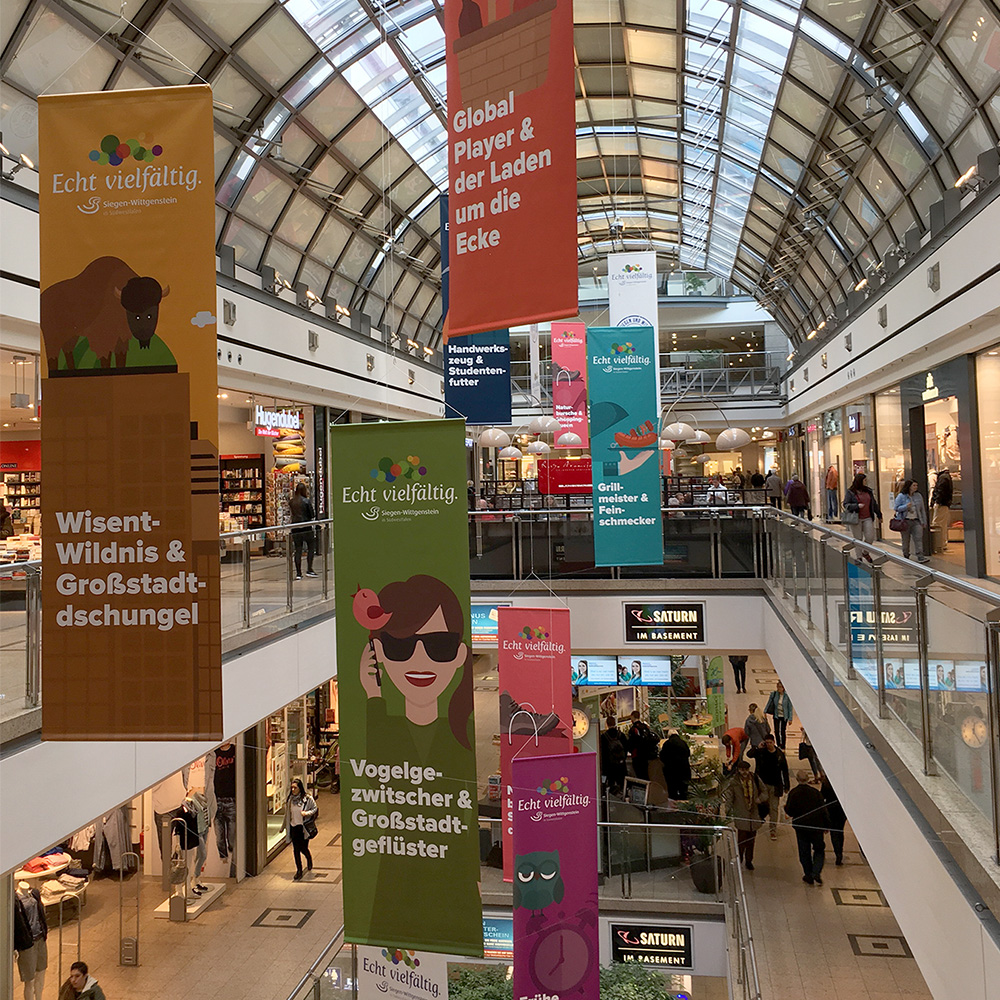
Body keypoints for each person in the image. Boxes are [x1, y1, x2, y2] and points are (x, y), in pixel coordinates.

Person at [784, 770, 828, 885]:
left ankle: (808, 874)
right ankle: (816, 871)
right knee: (819, 849)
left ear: (797, 779)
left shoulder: (794, 793)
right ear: (808, 779)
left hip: (801, 828)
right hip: (816, 827)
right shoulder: (815, 792)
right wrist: (827, 825)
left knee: (804, 851)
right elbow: (823, 810)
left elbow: (790, 811)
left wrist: (785, 808)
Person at [722, 761, 767, 871]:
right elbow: (729, 797)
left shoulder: (755, 778)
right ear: (738, 770)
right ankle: (739, 858)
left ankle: (749, 860)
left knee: (751, 840)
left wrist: (760, 799)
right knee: (741, 840)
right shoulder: (734, 782)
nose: (745, 772)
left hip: (754, 814)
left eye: (746, 770)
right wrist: (727, 811)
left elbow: (764, 791)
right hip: (741, 814)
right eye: (742, 770)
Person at [747, 735, 789, 840]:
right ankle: (758, 820)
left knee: (774, 808)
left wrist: (786, 785)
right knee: (759, 804)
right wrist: (757, 747)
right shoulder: (761, 752)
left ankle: (773, 830)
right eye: (767, 742)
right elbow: (749, 755)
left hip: (775, 785)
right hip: (762, 785)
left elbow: (785, 770)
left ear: (774, 742)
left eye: (770, 742)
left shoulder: (779, 755)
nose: (769, 745)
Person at [281, 777, 318, 881]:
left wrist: (306, 813)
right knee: (296, 849)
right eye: (292, 788)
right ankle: (299, 870)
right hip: (294, 827)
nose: (293, 790)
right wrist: (284, 826)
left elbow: (315, 809)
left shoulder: (307, 799)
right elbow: (287, 815)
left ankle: (308, 858)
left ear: (300, 788)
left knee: (303, 848)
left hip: (303, 828)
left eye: (295, 788)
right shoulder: (290, 800)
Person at [843, 472, 882, 562]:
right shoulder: (851, 492)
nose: (866, 482)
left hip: (868, 517)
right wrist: (857, 506)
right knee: (858, 538)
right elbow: (846, 504)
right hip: (856, 518)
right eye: (864, 480)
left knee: (870, 537)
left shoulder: (868, 491)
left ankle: (865, 552)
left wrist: (879, 514)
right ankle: (859, 557)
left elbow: (874, 503)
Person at [894, 478, 930, 563]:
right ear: (909, 486)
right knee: (906, 539)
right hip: (905, 521)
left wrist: (924, 521)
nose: (915, 487)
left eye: (916, 485)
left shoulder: (918, 496)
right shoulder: (901, 496)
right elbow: (896, 508)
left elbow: (922, 510)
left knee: (918, 538)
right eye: (914, 485)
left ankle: (920, 555)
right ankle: (906, 554)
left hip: (916, 520)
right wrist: (906, 506)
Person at [289, 482, 317, 580]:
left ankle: (298, 573)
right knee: (310, 547)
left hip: (295, 527)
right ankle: (309, 569)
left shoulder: (292, 501)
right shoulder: (306, 501)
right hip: (306, 527)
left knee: (298, 549)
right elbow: (312, 514)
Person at [819, 772, 847, 865]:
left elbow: (822, 797)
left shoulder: (826, 783)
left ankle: (837, 852)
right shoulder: (843, 782)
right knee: (840, 831)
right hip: (841, 809)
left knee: (834, 833)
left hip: (830, 810)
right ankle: (840, 852)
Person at [658, 730, 692, 799]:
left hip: (671, 773)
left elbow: (662, 757)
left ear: (669, 736)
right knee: (683, 792)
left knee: (672, 792)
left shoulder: (667, 744)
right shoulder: (683, 743)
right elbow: (688, 754)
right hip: (684, 771)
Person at [599, 716, 628, 795]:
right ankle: (624, 796)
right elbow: (626, 747)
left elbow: (602, 752)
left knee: (610, 784)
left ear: (607, 724)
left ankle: (611, 797)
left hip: (609, 766)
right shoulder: (621, 735)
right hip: (621, 764)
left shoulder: (603, 737)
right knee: (622, 782)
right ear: (615, 723)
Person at [626, 710, 657, 780]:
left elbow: (631, 743)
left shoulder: (633, 729)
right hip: (646, 755)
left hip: (637, 755)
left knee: (639, 775)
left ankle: (641, 789)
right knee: (646, 774)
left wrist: (630, 750)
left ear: (632, 717)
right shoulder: (645, 727)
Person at [764, 681, 793, 750]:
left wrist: (790, 718)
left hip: (784, 716)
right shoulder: (774, 694)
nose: (778, 689)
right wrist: (765, 711)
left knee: (783, 731)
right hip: (776, 715)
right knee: (776, 730)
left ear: (783, 688)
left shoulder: (787, 696)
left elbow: (790, 708)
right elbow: (769, 703)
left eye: (780, 687)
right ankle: (778, 744)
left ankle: (783, 745)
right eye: (778, 687)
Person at [930, 467, 953, 552]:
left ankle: (938, 544)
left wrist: (936, 502)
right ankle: (942, 544)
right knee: (942, 524)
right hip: (944, 503)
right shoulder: (946, 477)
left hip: (941, 504)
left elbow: (940, 491)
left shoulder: (943, 478)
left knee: (937, 523)